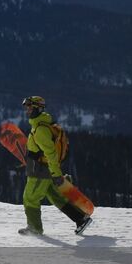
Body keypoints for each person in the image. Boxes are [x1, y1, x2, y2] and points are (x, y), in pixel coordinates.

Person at [18, 96, 91, 236]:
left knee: (30, 198)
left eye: (29, 107)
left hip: (40, 171)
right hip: (43, 168)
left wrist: (57, 174)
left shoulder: (40, 129)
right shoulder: (42, 124)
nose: (26, 110)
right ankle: (81, 219)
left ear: (37, 108)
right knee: (55, 197)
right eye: (26, 107)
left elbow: (51, 154)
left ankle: (35, 228)